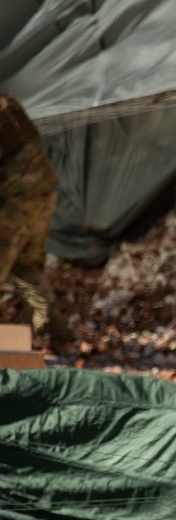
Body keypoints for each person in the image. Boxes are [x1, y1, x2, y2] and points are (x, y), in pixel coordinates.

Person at [0, 92, 72, 352]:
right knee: (27, 268)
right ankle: (56, 337)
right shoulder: (7, 102)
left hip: (15, 198)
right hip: (42, 194)